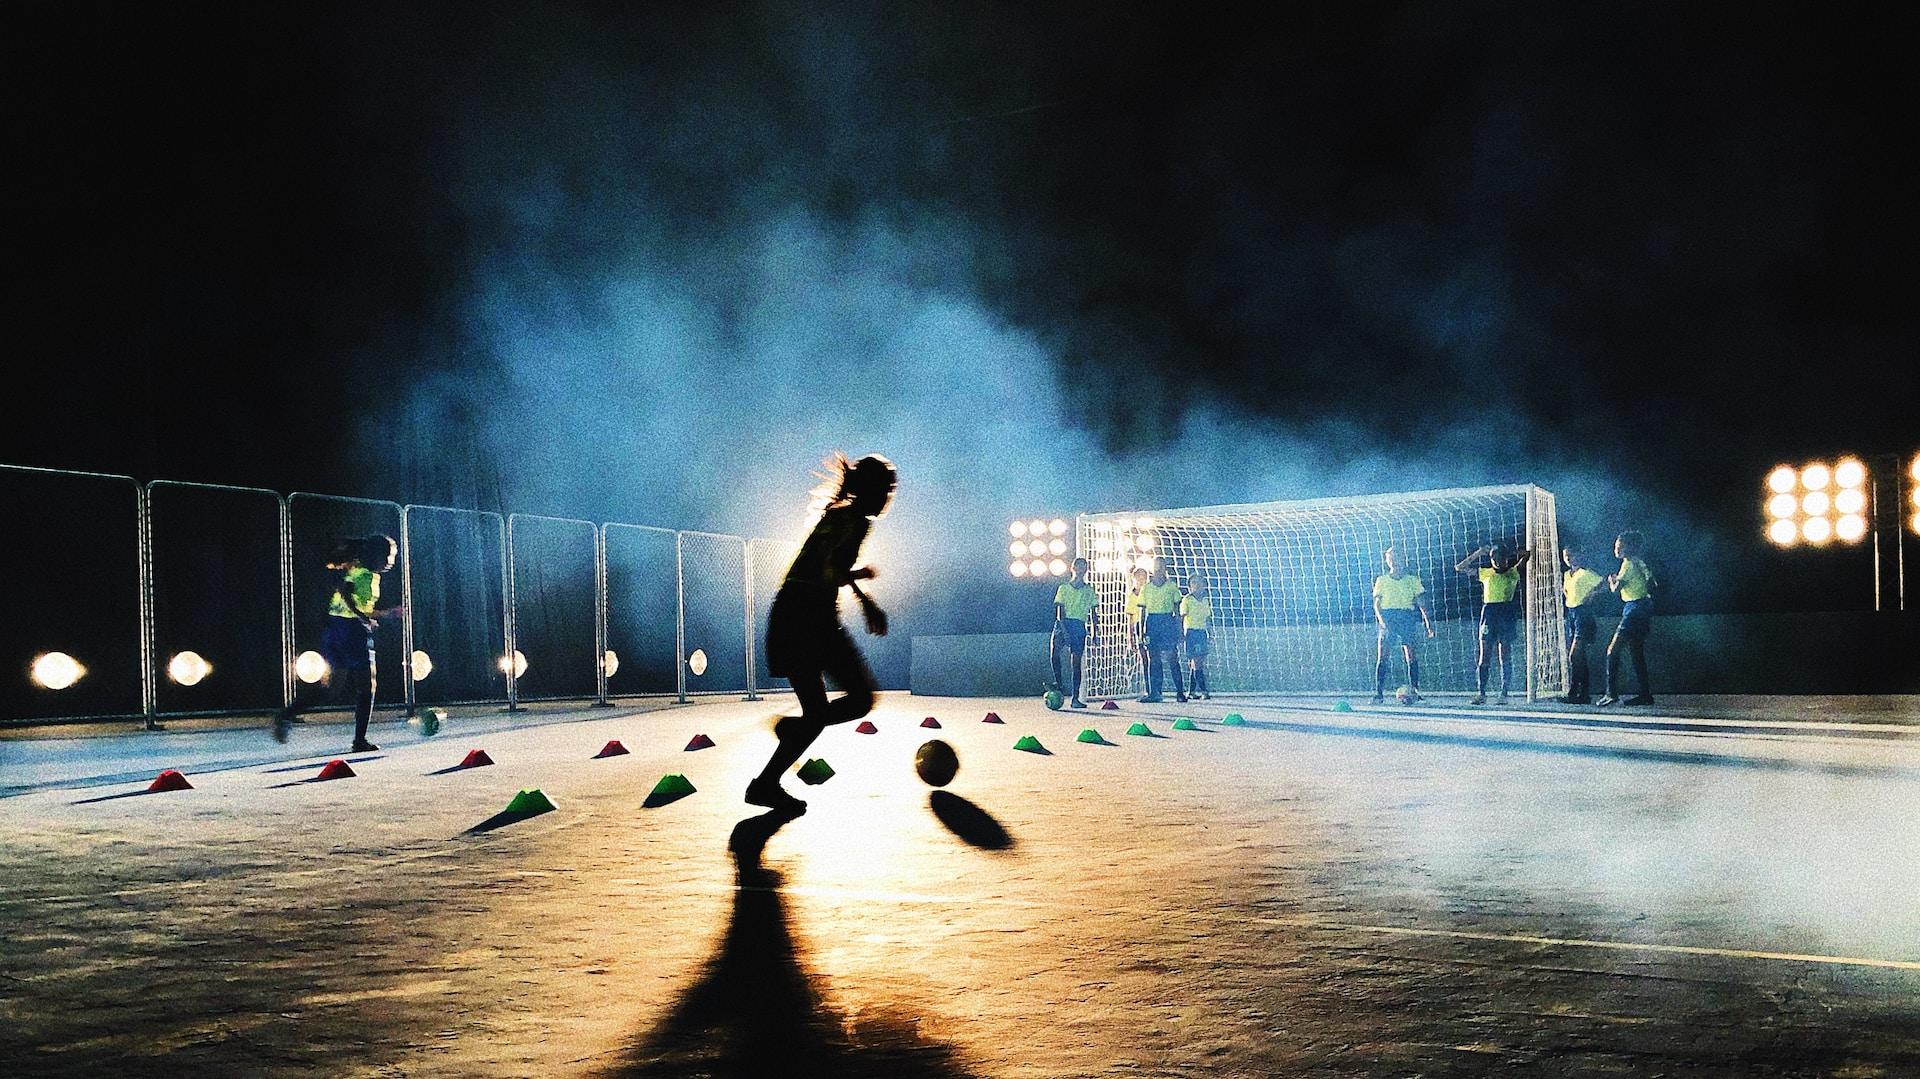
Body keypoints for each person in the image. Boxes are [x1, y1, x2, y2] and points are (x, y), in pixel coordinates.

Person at [746, 454, 894, 814]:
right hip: (808, 616)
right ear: (872, 490)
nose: (889, 496)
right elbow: (828, 566)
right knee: (857, 701)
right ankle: (776, 764)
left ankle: (770, 777)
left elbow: (824, 566)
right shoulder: (854, 522)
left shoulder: (842, 516)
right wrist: (865, 600)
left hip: (797, 611)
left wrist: (855, 578)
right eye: (887, 489)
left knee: (829, 710)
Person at [274, 534, 401, 752]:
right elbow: (345, 592)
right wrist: (363, 620)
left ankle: (286, 714)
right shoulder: (362, 573)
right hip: (350, 632)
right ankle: (359, 740)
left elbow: (360, 606)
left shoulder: (365, 573)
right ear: (376, 555)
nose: (390, 561)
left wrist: (387, 614)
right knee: (366, 686)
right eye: (388, 555)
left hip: (336, 629)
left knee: (331, 688)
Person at [1455, 540, 1532, 704]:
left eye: (1501, 558)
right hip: (1489, 613)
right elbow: (1459, 567)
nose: (1497, 561)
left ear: (1506, 558)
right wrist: (1478, 553)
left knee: (1504, 654)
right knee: (1485, 655)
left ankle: (1504, 693)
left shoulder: (1513, 572)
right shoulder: (1485, 572)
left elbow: (1527, 554)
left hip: (1506, 613)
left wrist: (1512, 553)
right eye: (1494, 558)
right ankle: (1481, 693)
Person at [1597, 530, 1656, 707]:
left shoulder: (1628, 564)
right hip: (1644, 606)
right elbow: (1652, 582)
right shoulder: (1639, 562)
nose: (1616, 548)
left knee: (1612, 650)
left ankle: (1611, 693)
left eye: (1620, 546)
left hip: (1635, 608)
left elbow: (1616, 589)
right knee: (1636, 652)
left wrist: (1611, 580)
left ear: (1630, 547)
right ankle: (1645, 694)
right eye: (1616, 545)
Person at [1371, 546, 1434, 704]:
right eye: (1391, 558)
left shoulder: (1412, 580)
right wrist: (1382, 620)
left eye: (1398, 557)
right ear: (1387, 561)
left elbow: (1421, 602)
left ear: (1404, 560)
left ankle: (1415, 691)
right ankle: (1379, 694)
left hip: (1406, 617)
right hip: (1388, 616)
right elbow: (1377, 604)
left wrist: (1428, 622)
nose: (1395, 561)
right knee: (1383, 656)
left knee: (1411, 655)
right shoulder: (1382, 580)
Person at [1559, 543, 1606, 704]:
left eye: (1571, 554)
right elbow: (1566, 592)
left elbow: (1603, 584)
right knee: (1579, 657)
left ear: (1579, 554)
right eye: (1566, 555)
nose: (1569, 558)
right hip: (1571, 614)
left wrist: (1593, 594)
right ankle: (1582, 694)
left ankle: (1575, 690)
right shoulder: (1566, 574)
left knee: (1575, 655)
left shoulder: (1585, 573)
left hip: (1583, 614)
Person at [1050, 557, 1096, 708]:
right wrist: (1064, 631)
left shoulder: (1089, 590)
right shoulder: (1064, 588)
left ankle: (1075, 698)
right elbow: (1059, 613)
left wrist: (1095, 632)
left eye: (1084, 567)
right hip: (1063, 624)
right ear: (1072, 568)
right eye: (1078, 566)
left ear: (1086, 570)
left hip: (1078, 625)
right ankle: (1059, 684)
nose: (1080, 569)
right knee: (1054, 654)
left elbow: (1093, 613)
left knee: (1076, 663)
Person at [1137, 564, 1186, 703]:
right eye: (1156, 567)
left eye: (1161, 567)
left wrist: (1179, 628)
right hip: (1152, 621)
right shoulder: (1146, 588)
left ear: (1165, 569)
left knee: (1172, 656)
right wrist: (1141, 631)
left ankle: (1180, 692)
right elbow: (1142, 610)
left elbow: (1177, 609)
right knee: (1154, 658)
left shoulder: (1171, 586)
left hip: (1167, 621)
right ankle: (1155, 692)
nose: (1158, 570)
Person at [1181, 572, 1215, 699]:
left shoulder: (1205, 600)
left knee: (1198, 662)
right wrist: (1181, 633)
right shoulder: (1187, 600)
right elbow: (1182, 617)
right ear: (1190, 586)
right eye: (1194, 583)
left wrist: (1211, 634)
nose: (1197, 585)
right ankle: (1204, 690)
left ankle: (1191, 691)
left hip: (1201, 633)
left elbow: (1207, 619)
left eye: (1199, 583)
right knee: (1195, 662)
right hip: (1191, 632)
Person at [1124, 566, 1149, 694]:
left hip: (1151, 625)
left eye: (1143, 578)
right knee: (1144, 659)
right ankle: (1148, 688)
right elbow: (1130, 618)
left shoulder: (1150, 592)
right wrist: (1130, 637)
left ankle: (1155, 687)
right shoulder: (1132, 596)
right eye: (1138, 578)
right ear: (1134, 579)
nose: (1141, 581)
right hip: (1139, 627)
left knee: (1154, 657)